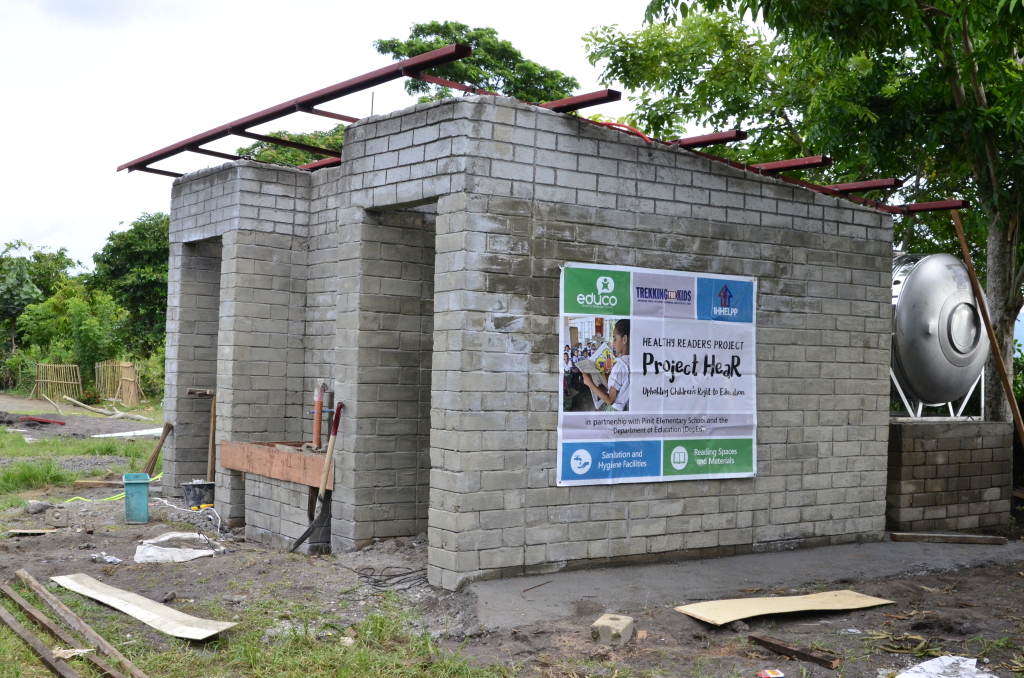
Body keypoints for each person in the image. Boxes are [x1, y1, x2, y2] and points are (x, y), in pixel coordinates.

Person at [581, 319, 630, 412]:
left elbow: (610, 400)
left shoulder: (620, 364)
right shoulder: (631, 361)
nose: (613, 343)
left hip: (614, 411)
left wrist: (589, 383)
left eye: (615, 339)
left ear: (624, 339)